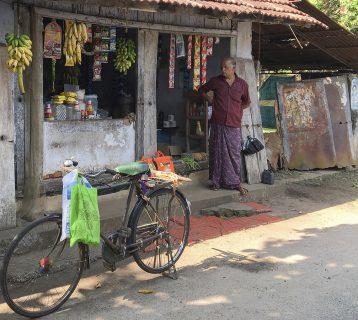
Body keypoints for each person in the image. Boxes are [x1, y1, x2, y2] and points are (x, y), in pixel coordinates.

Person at [198, 57, 250, 195]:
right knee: (216, 152)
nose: (223, 70)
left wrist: (237, 111)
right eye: (222, 67)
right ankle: (216, 182)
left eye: (225, 67)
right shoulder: (216, 81)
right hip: (217, 123)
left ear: (233, 68)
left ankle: (232, 182)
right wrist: (208, 98)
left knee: (233, 154)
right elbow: (201, 90)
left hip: (233, 123)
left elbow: (246, 102)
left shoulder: (242, 84)